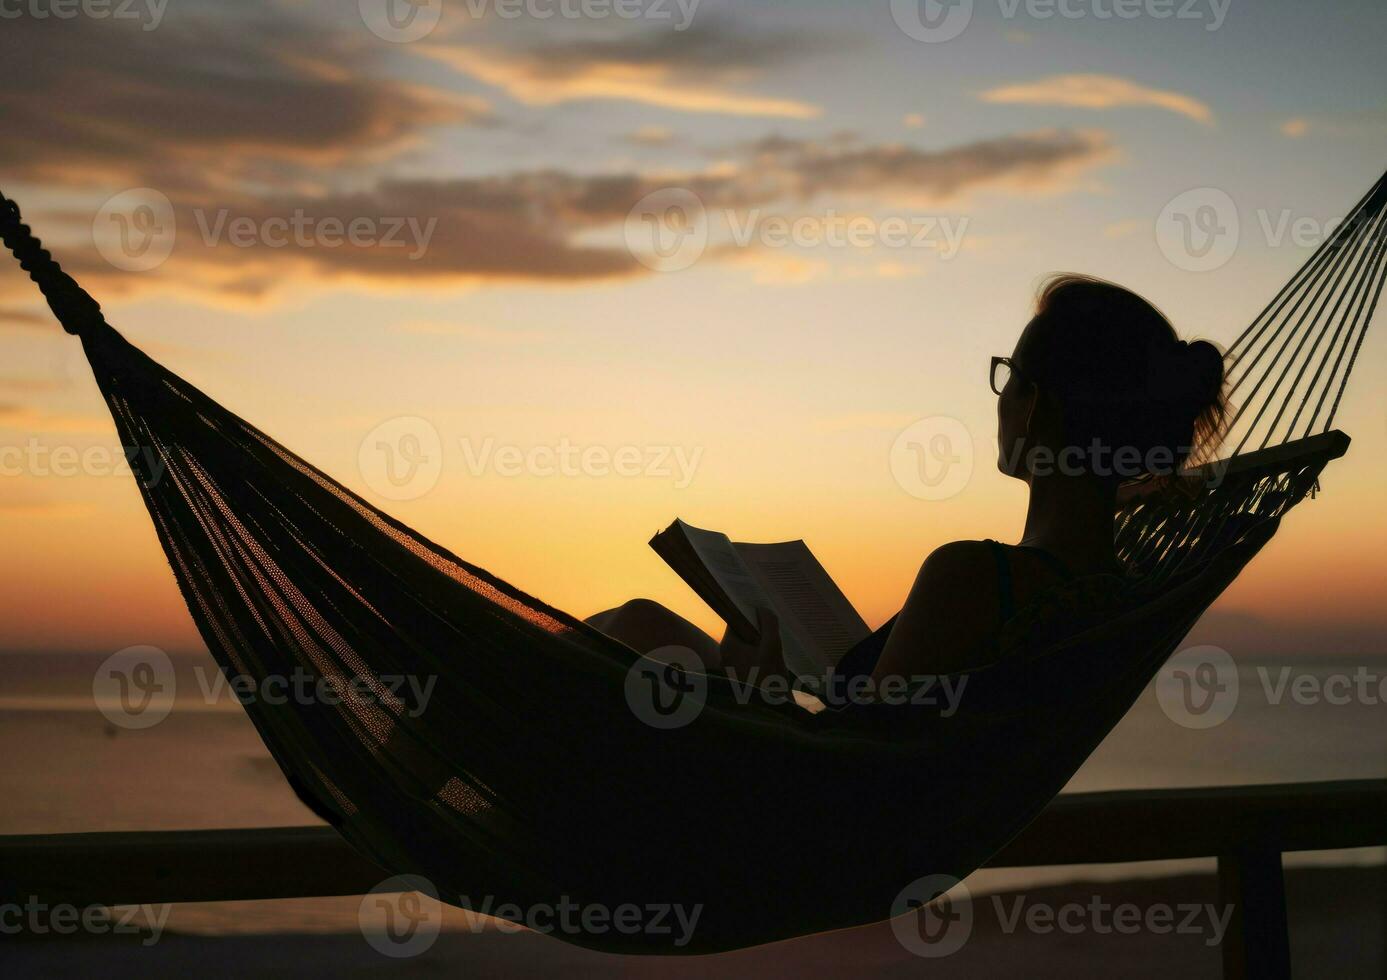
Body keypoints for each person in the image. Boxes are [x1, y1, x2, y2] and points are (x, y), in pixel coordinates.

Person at [586, 274, 1228, 689]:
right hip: (873, 801)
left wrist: (761, 690)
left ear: (1035, 405)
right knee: (638, 620)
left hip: (792, 811)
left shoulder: (972, 577)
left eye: (1009, 376)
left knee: (622, 634)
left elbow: (852, 769)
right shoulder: (1112, 585)